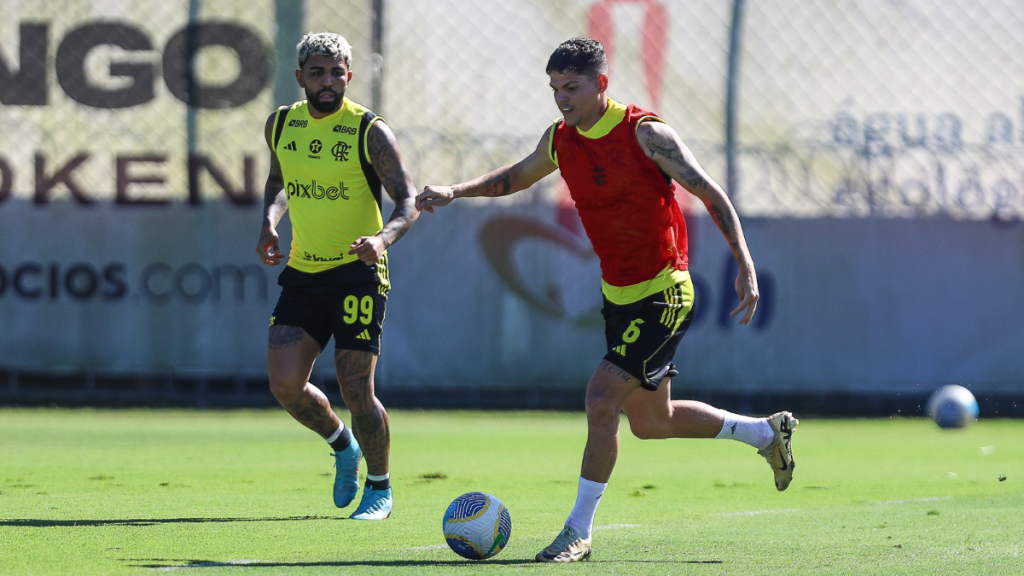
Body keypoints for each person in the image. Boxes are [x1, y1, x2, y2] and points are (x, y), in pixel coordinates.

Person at [417, 37, 798, 561]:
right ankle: (763, 433)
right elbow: (515, 178)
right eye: (554, 88)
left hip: (665, 291)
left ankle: (578, 531)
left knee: (600, 399)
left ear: (601, 83)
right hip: (619, 297)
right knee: (650, 422)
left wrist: (746, 266)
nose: (561, 99)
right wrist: (456, 190)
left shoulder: (645, 134)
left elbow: (711, 192)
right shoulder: (560, 140)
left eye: (571, 87)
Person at [256, 32, 418, 521]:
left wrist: (381, 241)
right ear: (301, 76)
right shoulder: (281, 123)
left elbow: (407, 202)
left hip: (358, 274)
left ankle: (380, 488)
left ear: (349, 75)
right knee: (285, 383)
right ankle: (342, 445)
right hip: (304, 271)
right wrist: (268, 221)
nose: (329, 81)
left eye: (337, 72)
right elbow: (279, 181)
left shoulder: (369, 130)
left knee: (356, 390)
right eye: (318, 72)